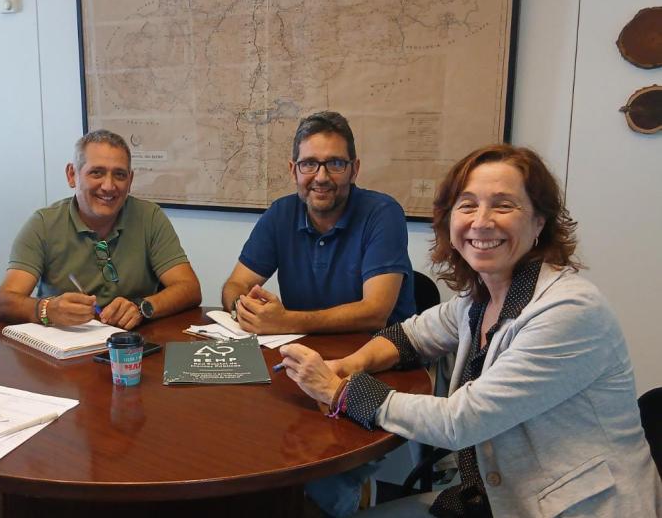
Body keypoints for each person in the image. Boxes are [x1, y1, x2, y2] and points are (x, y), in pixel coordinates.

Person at [280, 144, 662, 517]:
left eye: (503, 205)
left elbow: (459, 422)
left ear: (539, 222)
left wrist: (339, 391)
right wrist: (349, 363)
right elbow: (410, 335)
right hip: (493, 497)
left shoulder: (568, 311)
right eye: (467, 205)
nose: (481, 221)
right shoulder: (481, 298)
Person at [222, 111, 415, 335]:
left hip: (379, 357)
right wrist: (243, 309)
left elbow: (375, 313)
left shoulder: (382, 213)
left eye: (335, 163)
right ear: (294, 171)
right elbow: (236, 284)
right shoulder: (280, 214)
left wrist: (285, 321)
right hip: (301, 353)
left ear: (354, 170)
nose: (321, 177)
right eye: (309, 164)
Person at [0, 129, 201, 330]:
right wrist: (47, 309)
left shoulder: (149, 217)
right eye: (97, 173)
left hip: (132, 344)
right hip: (65, 348)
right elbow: (3, 303)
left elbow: (189, 288)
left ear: (130, 181)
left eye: (119, 175)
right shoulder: (43, 224)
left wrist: (142, 307)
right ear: (72, 175)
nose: (109, 186)